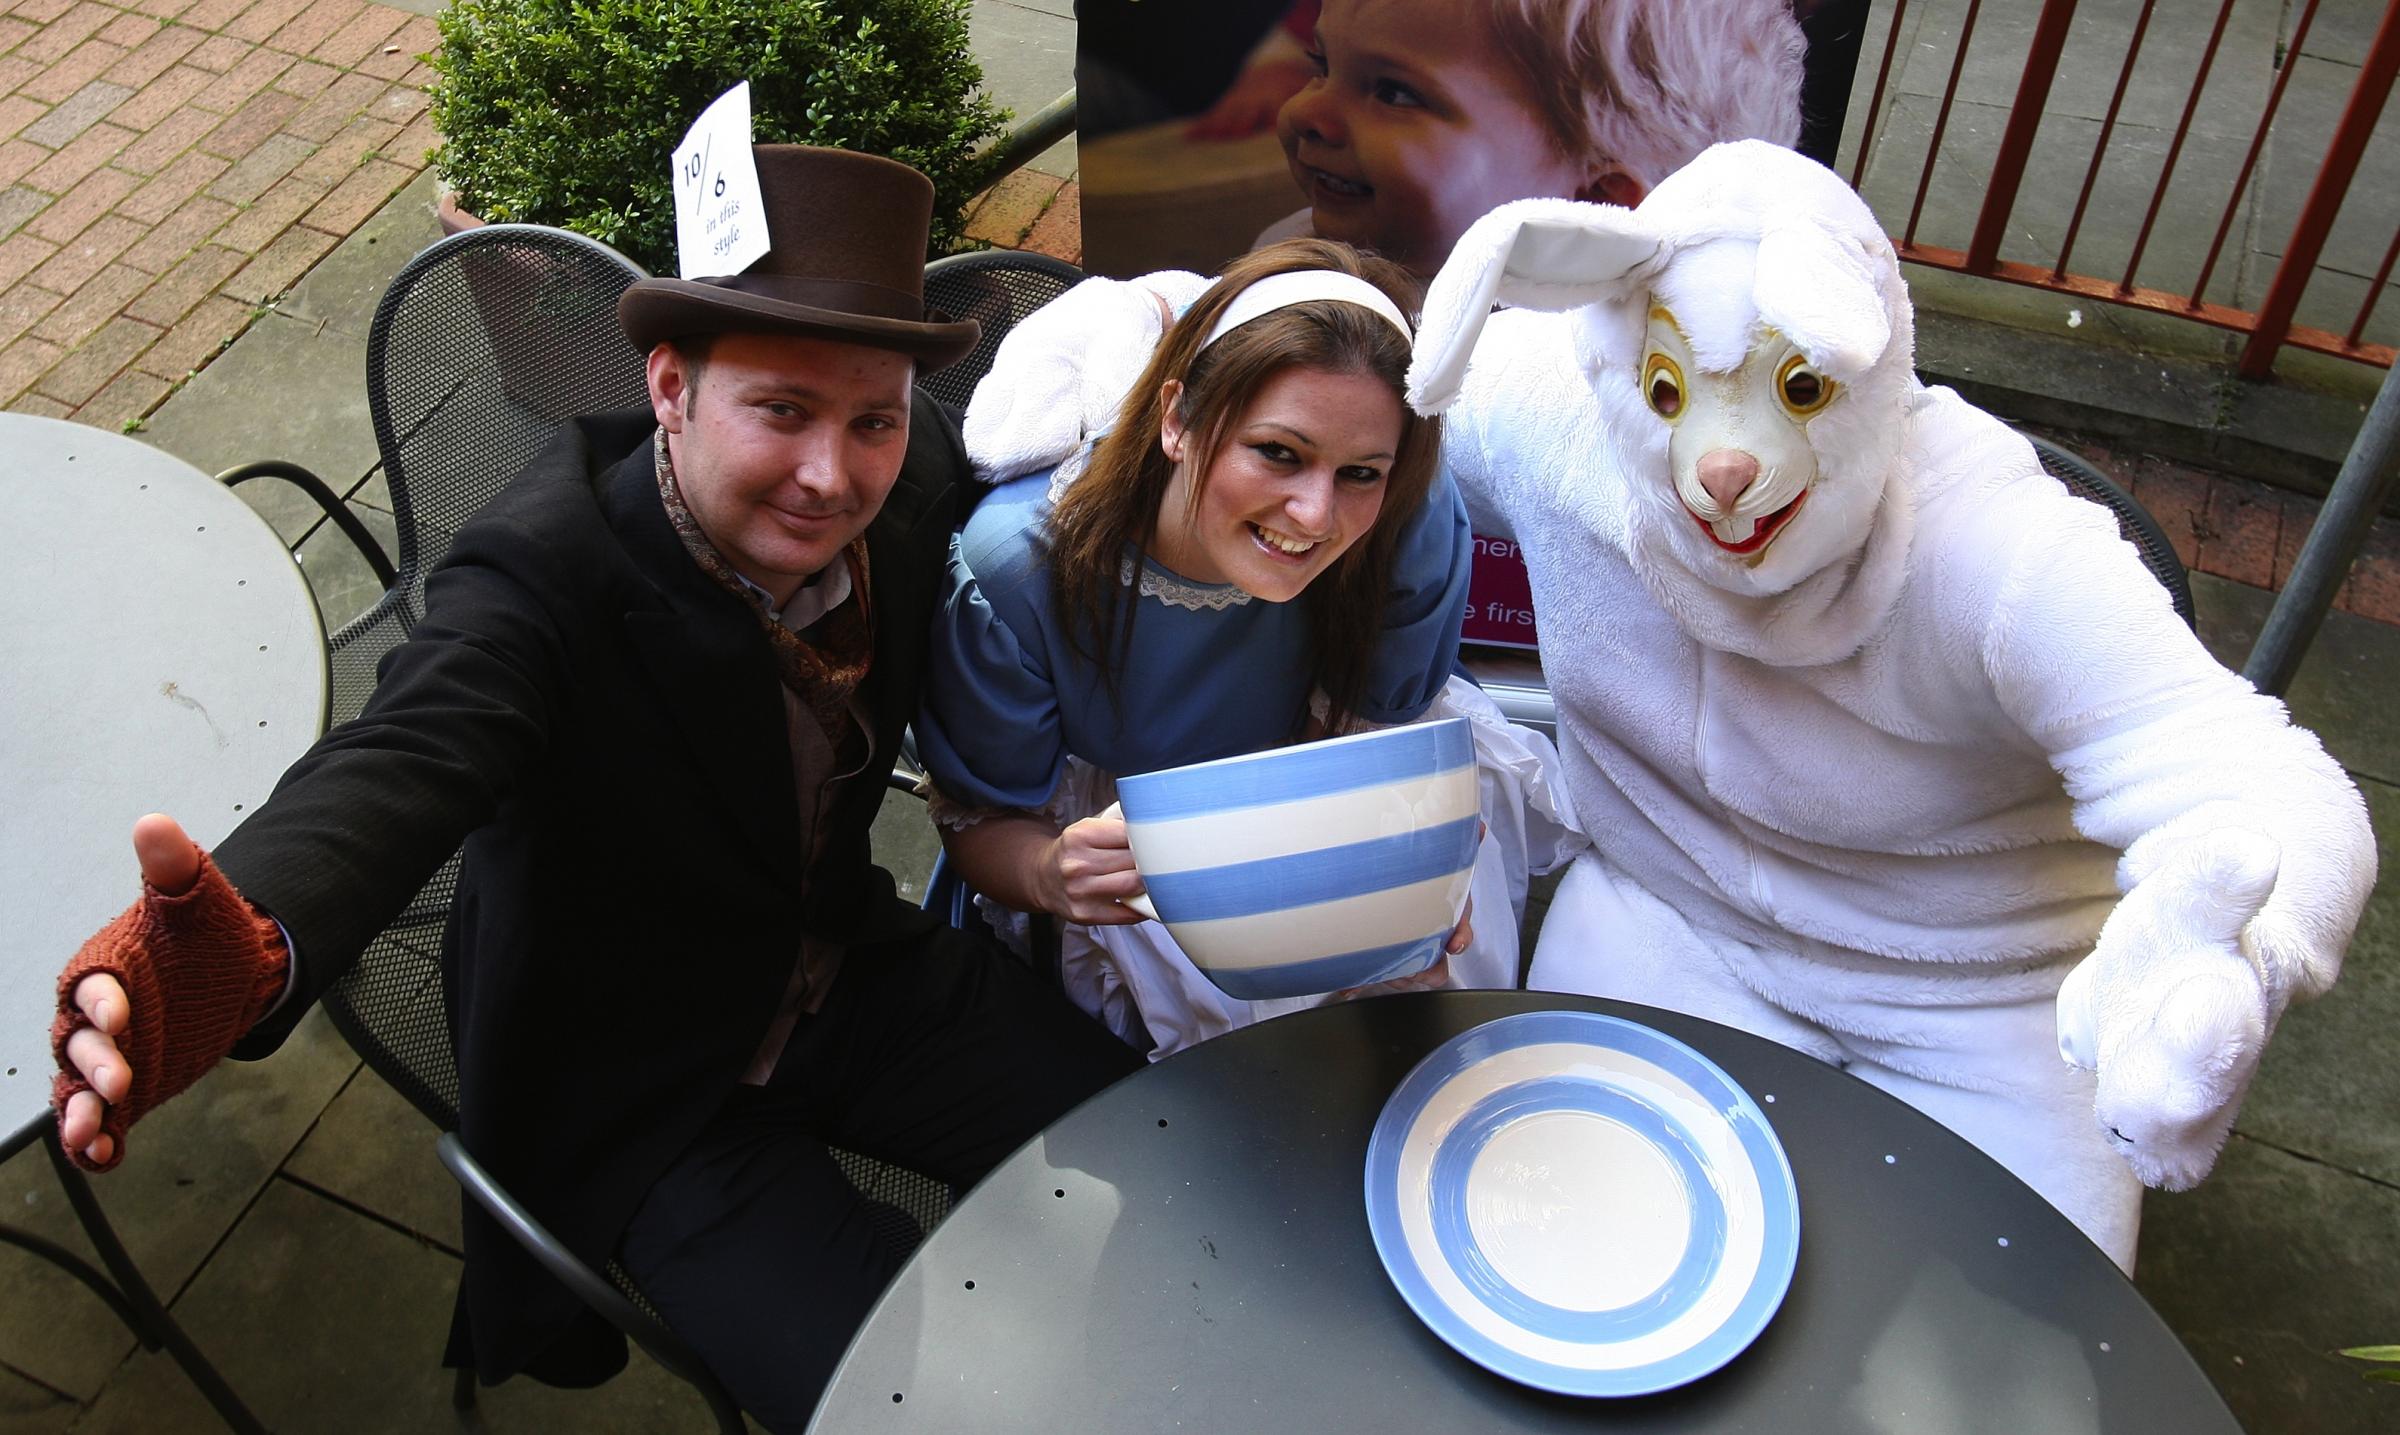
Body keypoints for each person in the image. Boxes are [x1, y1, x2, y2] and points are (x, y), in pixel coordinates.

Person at [48, 145, 1140, 1431]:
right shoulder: (540, 576)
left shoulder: (897, 510)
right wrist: (244, 945)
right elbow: (408, 752)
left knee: (1176, 1148)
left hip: (851, 980)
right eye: (781, 410)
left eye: (874, 419)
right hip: (648, 1084)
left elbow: (1086, 447)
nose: (831, 475)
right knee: (909, 1409)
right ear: (670, 387)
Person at [915, 237, 1575, 1058]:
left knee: (1415, 1041)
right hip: (1136, 858)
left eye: (1361, 472)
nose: (1313, 513)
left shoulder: (1403, 516)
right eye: (1278, 453)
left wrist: (1401, 869)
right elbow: (984, 820)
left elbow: (1386, 722)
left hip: (1337, 769)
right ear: (1178, 419)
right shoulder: (1018, 572)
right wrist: (1052, 870)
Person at [1260, 0, 1807, 274]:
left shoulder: (1584, 385)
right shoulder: (1290, 257)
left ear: (1594, 205)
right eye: (1322, 64)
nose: (1310, 112)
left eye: (1394, 93)